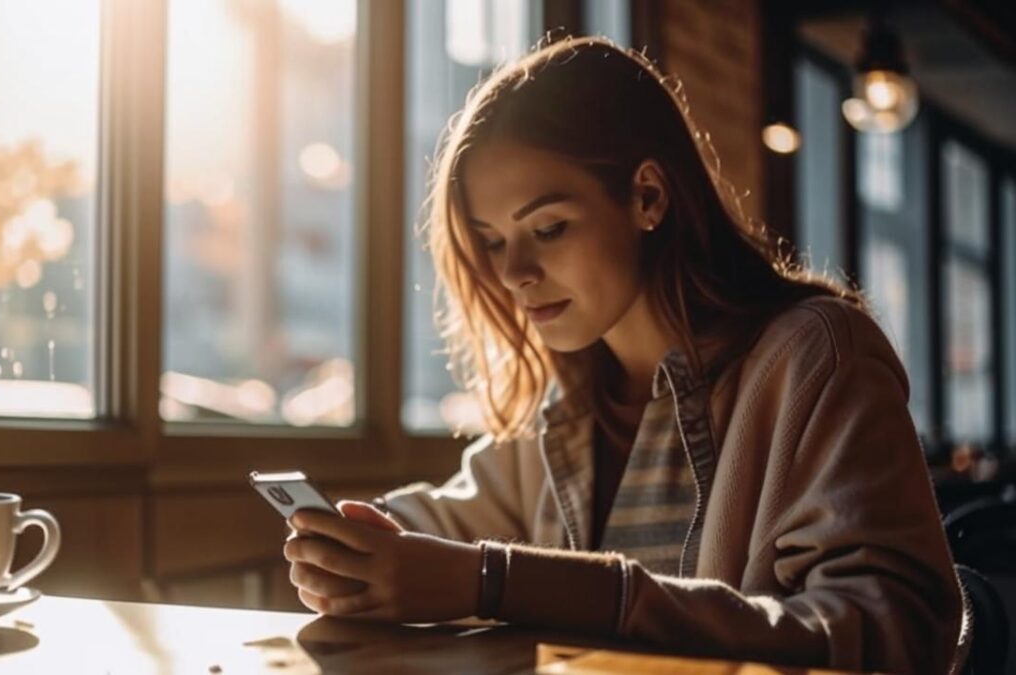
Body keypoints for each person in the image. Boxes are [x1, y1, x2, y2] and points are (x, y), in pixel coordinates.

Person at [281, 36, 966, 673]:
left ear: (648, 195)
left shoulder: (814, 358)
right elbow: (457, 518)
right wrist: (363, 547)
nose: (513, 271)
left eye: (547, 228)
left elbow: (894, 636)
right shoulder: (567, 400)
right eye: (492, 241)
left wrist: (500, 581)